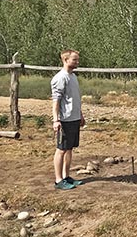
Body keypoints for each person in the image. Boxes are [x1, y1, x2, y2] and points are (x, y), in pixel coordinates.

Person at [51, 49, 85, 190]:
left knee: (69, 148)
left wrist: (80, 115)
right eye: (74, 60)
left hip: (74, 118)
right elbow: (56, 101)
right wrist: (56, 119)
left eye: (77, 60)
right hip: (64, 120)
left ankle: (66, 176)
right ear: (65, 60)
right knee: (61, 149)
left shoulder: (73, 77)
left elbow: (74, 99)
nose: (77, 62)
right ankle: (59, 180)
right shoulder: (60, 78)